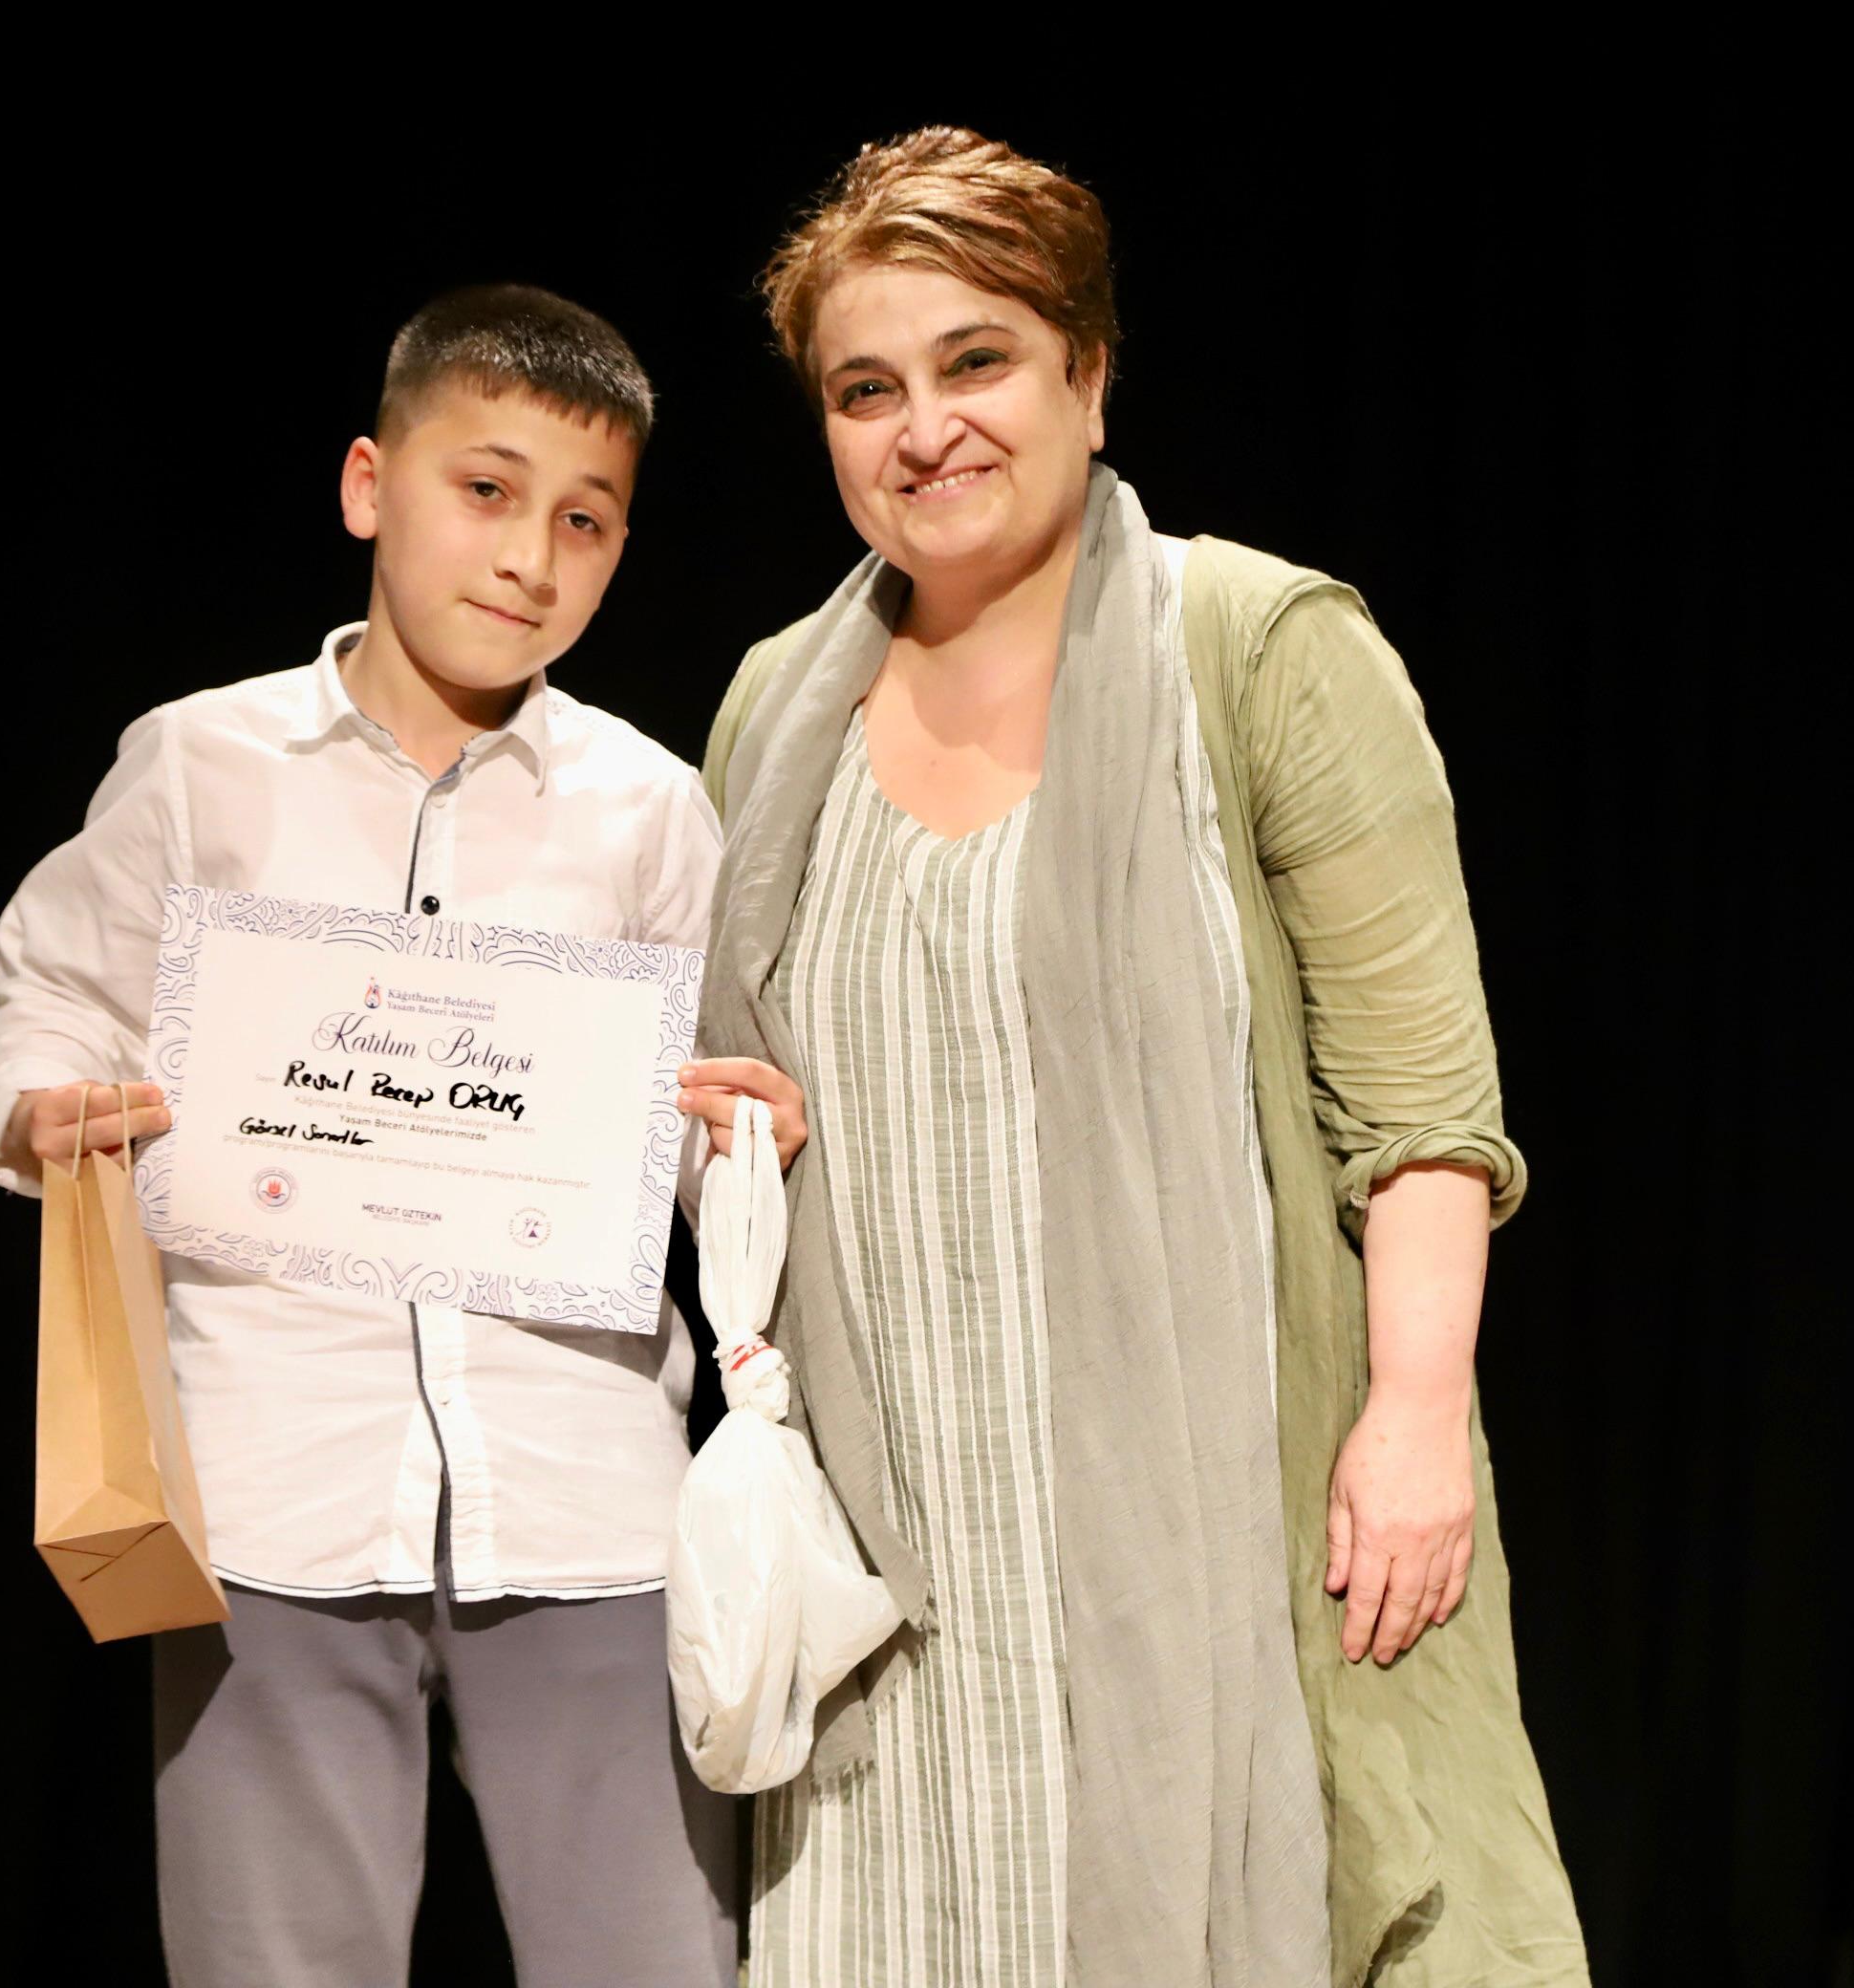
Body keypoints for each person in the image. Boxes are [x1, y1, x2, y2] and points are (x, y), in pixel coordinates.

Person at [688, 130, 1591, 1985]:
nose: (924, 427)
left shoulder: (1258, 648)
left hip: (1211, 1537)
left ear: (1089, 376)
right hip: (885, 1572)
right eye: (867, 389)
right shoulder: (776, 708)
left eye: (978, 361)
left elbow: (1420, 1105)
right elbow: (743, 1095)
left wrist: (1416, 1414)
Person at [0, 285, 744, 1988]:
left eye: (585, 521)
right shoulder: (201, 766)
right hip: (271, 1498)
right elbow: (59, 991)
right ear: (370, 485)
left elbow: (690, 1118)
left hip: (584, 1502)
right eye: (488, 489)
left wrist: (735, 1140)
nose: (529, 556)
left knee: (653, 1960)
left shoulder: (649, 808)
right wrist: (50, 1108)